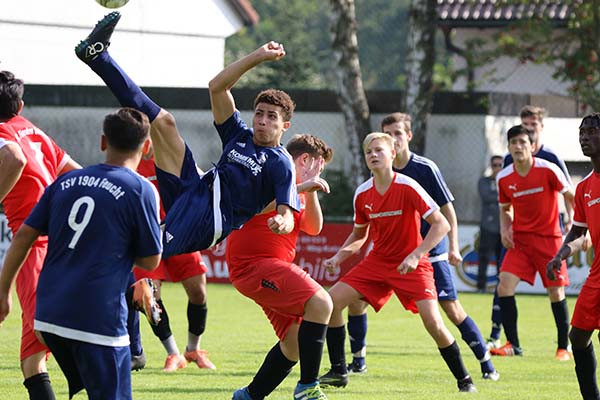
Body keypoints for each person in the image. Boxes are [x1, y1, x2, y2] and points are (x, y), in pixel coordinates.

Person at [74, 12, 300, 258]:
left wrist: (283, 221)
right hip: (195, 186)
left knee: (142, 252)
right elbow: (217, 87)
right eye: (259, 114)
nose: (263, 121)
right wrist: (258, 56)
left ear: (285, 125)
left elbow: (287, 211)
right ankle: (97, 56)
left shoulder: (281, 161)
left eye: (271, 117)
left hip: (209, 219)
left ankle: (88, 273)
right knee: (164, 122)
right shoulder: (240, 135)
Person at [0, 107, 163, 400]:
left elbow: (24, 234)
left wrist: (3, 291)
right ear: (147, 147)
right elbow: (151, 260)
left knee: (35, 361)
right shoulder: (140, 189)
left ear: (103, 142)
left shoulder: (63, 183)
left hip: (50, 317)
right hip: (98, 318)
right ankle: (134, 331)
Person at [342, 113, 498, 381]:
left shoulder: (424, 169)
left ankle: (485, 364)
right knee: (356, 303)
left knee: (450, 310)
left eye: (398, 134)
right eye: (387, 134)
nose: (393, 139)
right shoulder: (376, 174)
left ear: (408, 137)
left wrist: (453, 246)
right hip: (387, 255)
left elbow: (447, 212)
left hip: (428, 252)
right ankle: (358, 362)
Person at [319, 132, 477, 393]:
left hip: (413, 263)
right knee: (329, 303)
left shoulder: (408, 185)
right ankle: (339, 370)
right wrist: (339, 256)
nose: (373, 155)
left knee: (433, 323)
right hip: (378, 262)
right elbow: (359, 235)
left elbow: (442, 224)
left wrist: (416, 255)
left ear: (393, 154)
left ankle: (465, 380)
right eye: (369, 151)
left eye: (379, 150)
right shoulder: (362, 193)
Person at [228, 134, 333, 400]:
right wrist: (300, 187)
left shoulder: (301, 188)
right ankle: (308, 387)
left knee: (294, 343)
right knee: (322, 302)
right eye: (321, 166)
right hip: (254, 266)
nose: (321, 172)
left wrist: (312, 193)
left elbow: (313, 228)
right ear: (308, 160)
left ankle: (248, 396)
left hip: (270, 269)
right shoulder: (270, 172)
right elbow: (254, 206)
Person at [0, 70, 81, 399]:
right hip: (64, 236)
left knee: (41, 333)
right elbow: (75, 171)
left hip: (35, 242)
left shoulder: (3, 131)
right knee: (32, 358)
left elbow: (14, 158)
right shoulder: (33, 131)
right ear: (20, 105)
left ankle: (93, 369)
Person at [488, 105, 574, 348]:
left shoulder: (549, 167)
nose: (518, 146)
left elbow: (570, 196)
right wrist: (506, 229)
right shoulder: (504, 176)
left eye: (522, 142)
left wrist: (576, 224)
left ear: (531, 145)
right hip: (520, 241)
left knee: (556, 292)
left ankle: (562, 346)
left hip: (550, 239)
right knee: (504, 285)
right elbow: (504, 207)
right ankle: (513, 345)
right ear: (508, 147)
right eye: (513, 142)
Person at [131, 150, 216, 372]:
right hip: (147, 239)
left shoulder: (174, 155)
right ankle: (173, 354)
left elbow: (206, 184)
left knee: (198, 292)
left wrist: (212, 229)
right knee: (150, 297)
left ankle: (193, 349)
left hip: (179, 234)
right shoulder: (128, 161)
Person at [547, 113, 600, 399]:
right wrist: (561, 254)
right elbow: (580, 233)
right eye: (582, 133)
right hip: (597, 275)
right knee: (577, 337)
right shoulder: (584, 187)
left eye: (592, 132)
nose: (585, 138)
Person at [477, 155, 503, 292]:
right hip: (488, 225)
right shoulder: (484, 181)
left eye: (500, 165)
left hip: (504, 227)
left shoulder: (507, 180)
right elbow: (486, 196)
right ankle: (481, 287)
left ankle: (502, 288)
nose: (498, 168)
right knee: (484, 257)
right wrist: (501, 194)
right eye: (495, 165)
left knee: (502, 260)